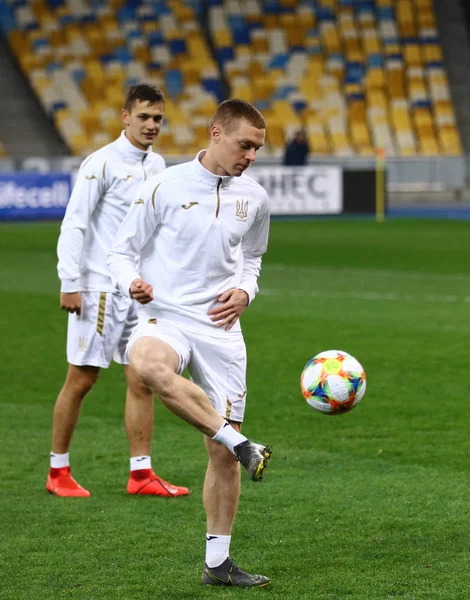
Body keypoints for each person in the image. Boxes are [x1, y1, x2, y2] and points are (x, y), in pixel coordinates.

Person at [107, 99, 272, 587]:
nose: (251, 156)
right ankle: (242, 442)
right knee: (147, 365)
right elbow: (120, 251)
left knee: (219, 457)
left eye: (258, 148)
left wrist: (245, 290)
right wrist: (129, 282)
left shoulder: (256, 197)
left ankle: (218, 563)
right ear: (216, 133)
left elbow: (254, 258)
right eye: (245, 144)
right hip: (167, 315)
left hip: (221, 327)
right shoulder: (164, 185)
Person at [47, 83, 189, 498]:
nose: (151, 125)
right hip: (98, 288)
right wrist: (69, 282)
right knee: (82, 378)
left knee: (142, 377)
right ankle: (58, 471)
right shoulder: (101, 163)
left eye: (158, 118)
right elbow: (74, 222)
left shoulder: (158, 165)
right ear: (125, 116)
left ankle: (141, 474)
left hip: (137, 291)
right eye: (144, 117)